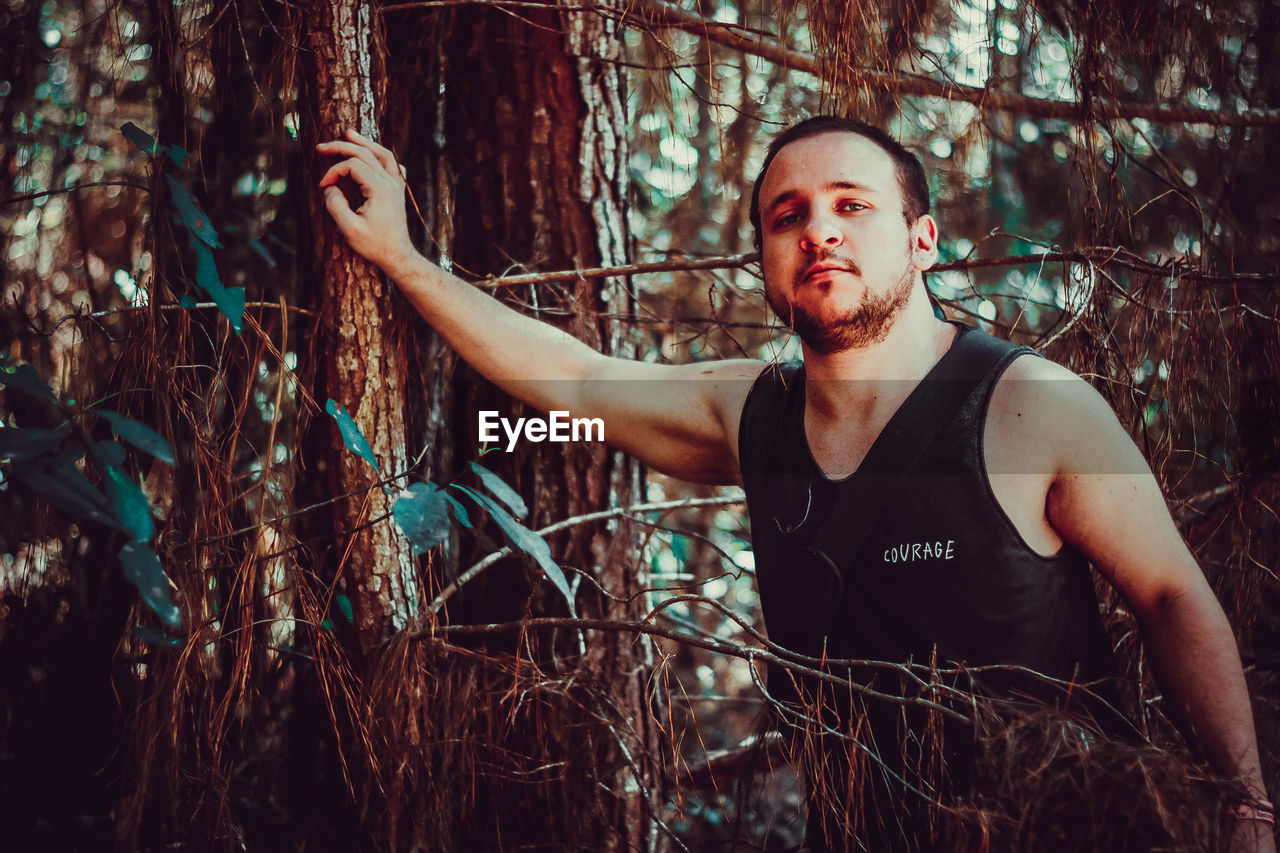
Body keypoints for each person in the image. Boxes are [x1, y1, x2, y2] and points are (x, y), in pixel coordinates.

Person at [317, 116, 1274, 851]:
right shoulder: (753, 416)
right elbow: (570, 380)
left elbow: (1170, 592)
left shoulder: (1033, 406)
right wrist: (402, 258)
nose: (819, 229)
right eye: (790, 216)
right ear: (768, 266)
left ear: (923, 239)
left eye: (852, 205)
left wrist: (1244, 806)